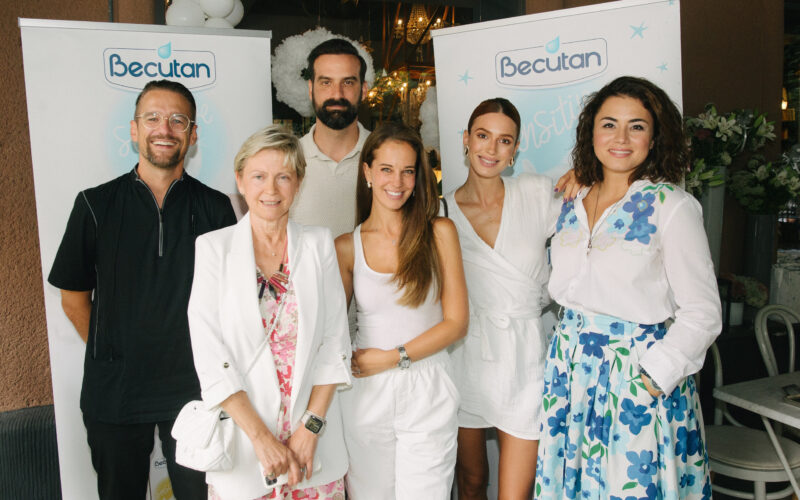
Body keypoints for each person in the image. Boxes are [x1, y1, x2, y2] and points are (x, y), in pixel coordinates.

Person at [48, 79, 236, 499]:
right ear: (134, 130)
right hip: (115, 392)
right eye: (152, 118)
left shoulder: (216, 208)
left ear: (193, 134)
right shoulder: (95, 204)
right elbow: (73, 298)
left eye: (178, 120)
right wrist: (112, 351)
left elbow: (230, 300)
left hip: (195, 390)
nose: (164, 129)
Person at [535, 76, 721, 500]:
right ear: (591, 133)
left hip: (637, 377)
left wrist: (654, 376)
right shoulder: (569, 200)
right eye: (609, 124)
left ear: (654, 138)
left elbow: (703, 311)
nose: (621, 138)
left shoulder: (671, 206)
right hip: (571, 375)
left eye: (636, 126)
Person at [188, 125, 351, 500]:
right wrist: (262, 439)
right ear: (240, 180)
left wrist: (311, 428)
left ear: (299, 183)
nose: (271, 190)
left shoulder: (318, 244)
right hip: (245, 443)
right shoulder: (213, 248)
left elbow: (334, 342)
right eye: (259, 176)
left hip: (313, 444)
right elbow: (209, 355)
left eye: (284, 177)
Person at [334, 122, 469, 499]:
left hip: (428, 386)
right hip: (366, 392)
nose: (397, 182)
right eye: (386, 169)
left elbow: (457, 323)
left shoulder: (440, 232)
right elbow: (330, 331)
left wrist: (393, 358)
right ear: (367, 172)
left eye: (408, 171)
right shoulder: (346, 246)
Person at [444, 98, 566, 500]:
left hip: (524, 356)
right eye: (483, 135)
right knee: (472, 481)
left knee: (516, 492)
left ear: (515, 150)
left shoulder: (535, 192)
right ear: (466, 139)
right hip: (464, 354)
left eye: (504, 140)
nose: (491, 149)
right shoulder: (442, 211)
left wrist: (584, 177)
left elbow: (588, 226)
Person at [291, 38, 370, 238]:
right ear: (311, 89)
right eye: (326, 82)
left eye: (348, 82)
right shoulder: (287, 160)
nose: (337, 94)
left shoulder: (384, 157)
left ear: (364, 90)